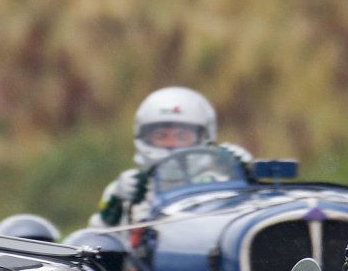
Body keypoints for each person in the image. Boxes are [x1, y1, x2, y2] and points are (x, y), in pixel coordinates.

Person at [93, 87, 251, 225]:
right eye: (161, 135)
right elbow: (98, 236)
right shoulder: (129, 186)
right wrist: (117, 201)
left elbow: (242, 216)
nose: (171, 143)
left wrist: (244, 172)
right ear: (143, 136)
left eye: (181, 136)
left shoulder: (217, 181)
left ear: (204, 137)